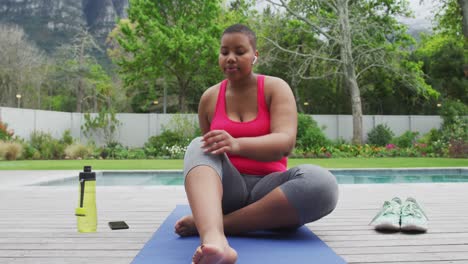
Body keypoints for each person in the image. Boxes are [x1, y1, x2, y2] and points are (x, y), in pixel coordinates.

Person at [174, 24, 339, 264]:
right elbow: (209, 162)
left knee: (323, 184)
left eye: (239, 51)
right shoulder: (209, 98)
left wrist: (237, 144)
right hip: (229, 192)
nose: (230, 58)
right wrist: (223, 150)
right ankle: (214, 241)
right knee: (199, 145)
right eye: (224, 52)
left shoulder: (275, 88)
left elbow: (285, 143)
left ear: (255, 55)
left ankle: (219, 224)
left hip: (271, 193)